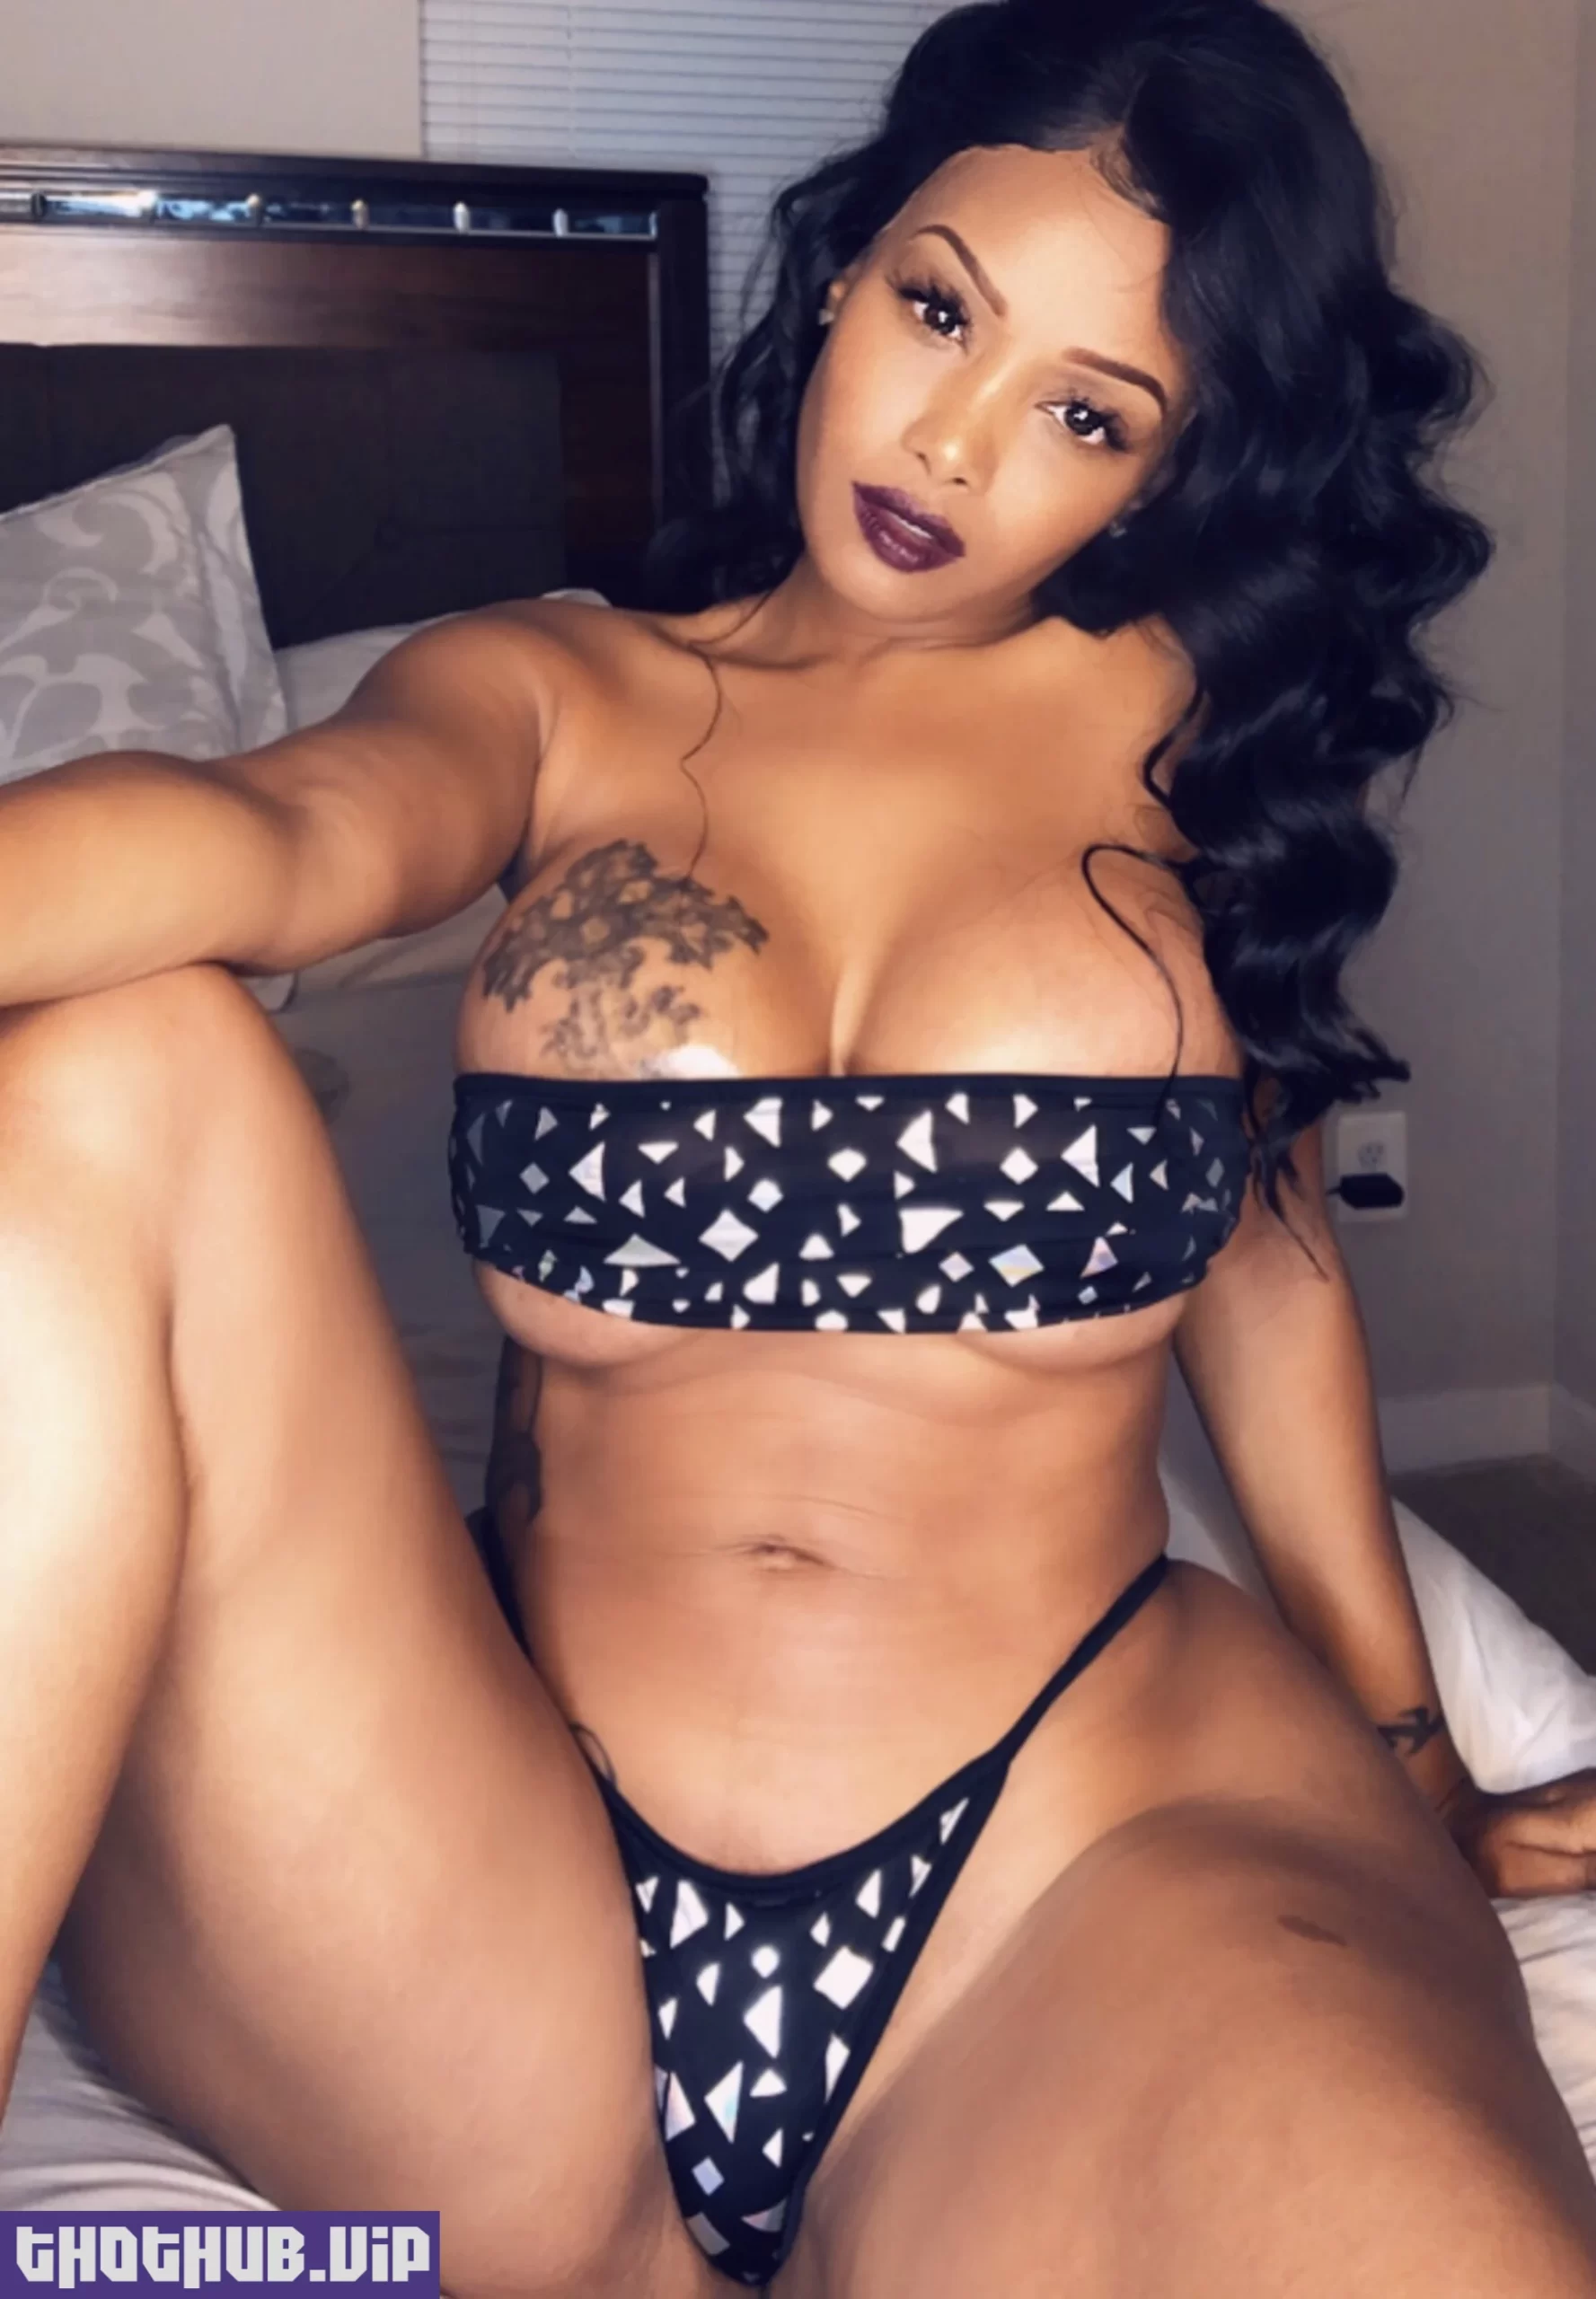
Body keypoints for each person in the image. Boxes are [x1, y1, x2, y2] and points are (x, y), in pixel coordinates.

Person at [3, 0, 1595, 2289]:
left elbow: (1263, 1257)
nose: (954, 440)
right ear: (847, 264)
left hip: (1074, 1845)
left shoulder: (1202, 742)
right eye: (942, 307)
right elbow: (278, 835)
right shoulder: (558, 690)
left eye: (1084, 412)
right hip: (490, 1854)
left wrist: (1412, 1752)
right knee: (115, 1056)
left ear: (1163, 474)